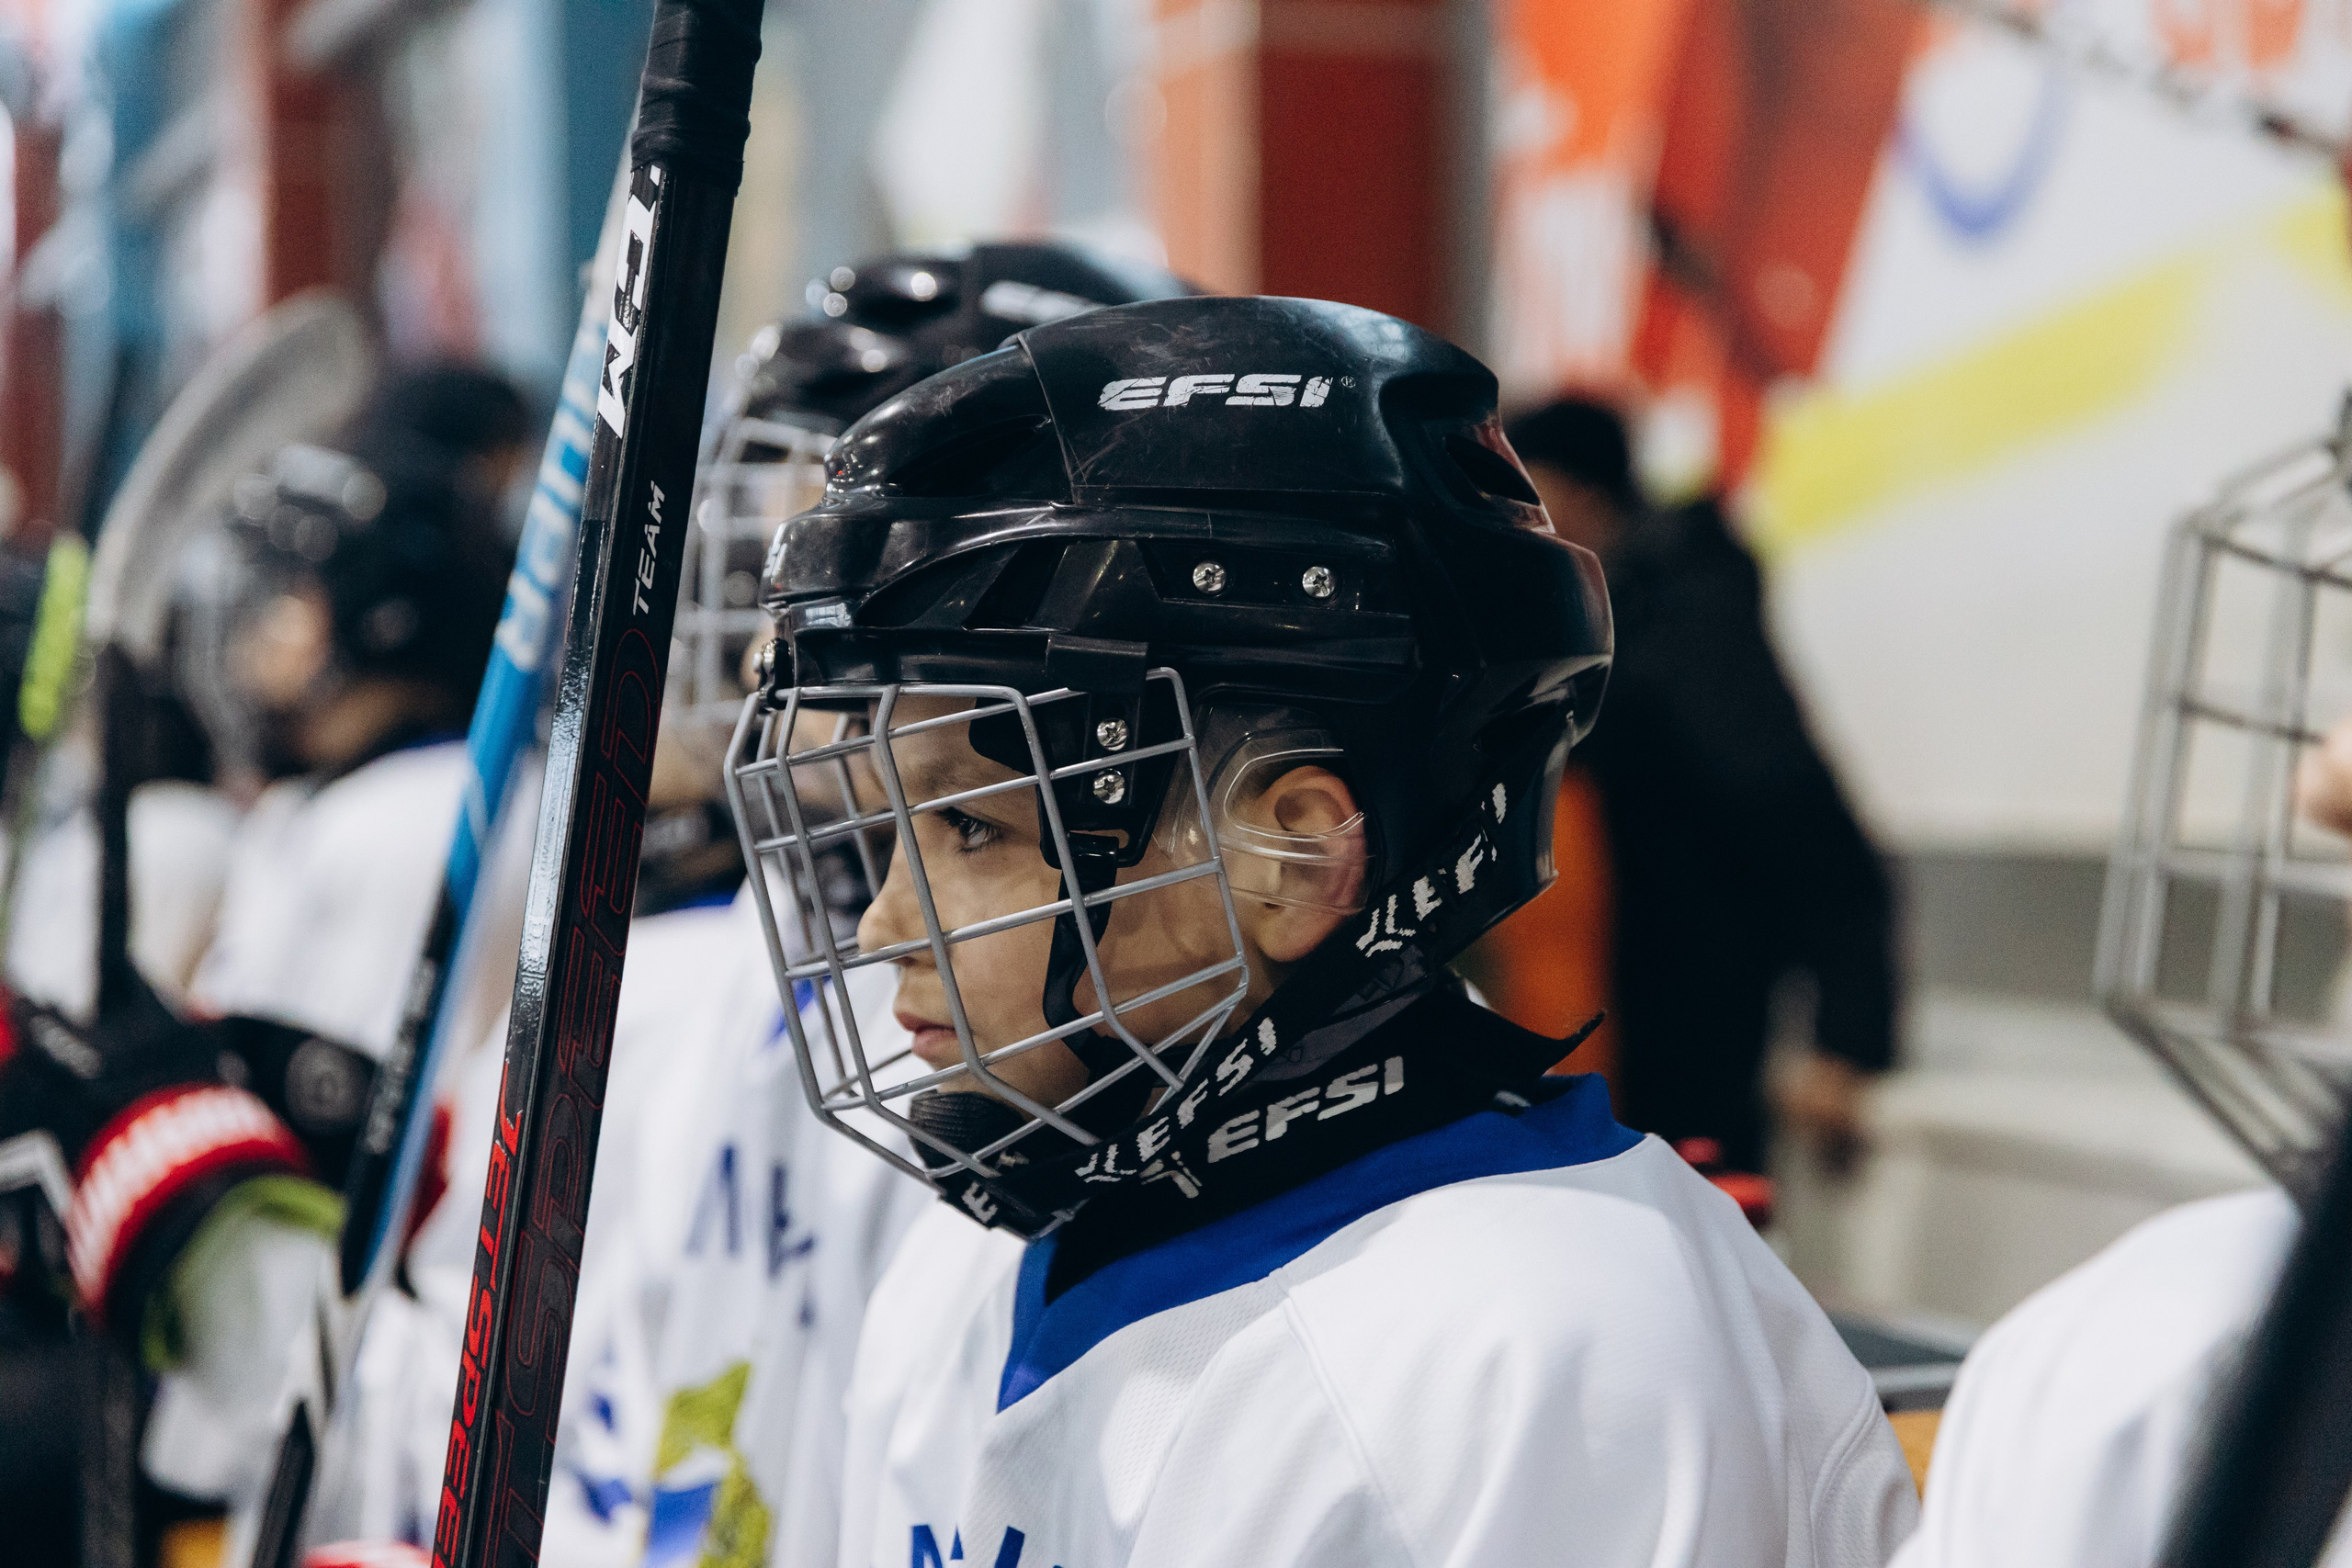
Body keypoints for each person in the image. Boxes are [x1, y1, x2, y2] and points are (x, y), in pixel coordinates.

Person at [728, 295, 1918, 1566]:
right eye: (889, 830)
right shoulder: (995, 1258)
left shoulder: (1531, 1363)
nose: (890, 920)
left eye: (974, 830)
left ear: (1291, 855)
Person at [313, 243, 1196, 1568]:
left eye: (853, 581)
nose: (755, 655)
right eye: (768, 573)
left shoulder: (1091, 1046)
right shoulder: (705, 991)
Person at [1501, 396, 1899, 1174]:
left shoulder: (1683, 621)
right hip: (1624, 1027)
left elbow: (1805, 819)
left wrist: (1846, 1042)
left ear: (1574, 493)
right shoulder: (1599, 621)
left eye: (1523, 498)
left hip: (1688, 1034)